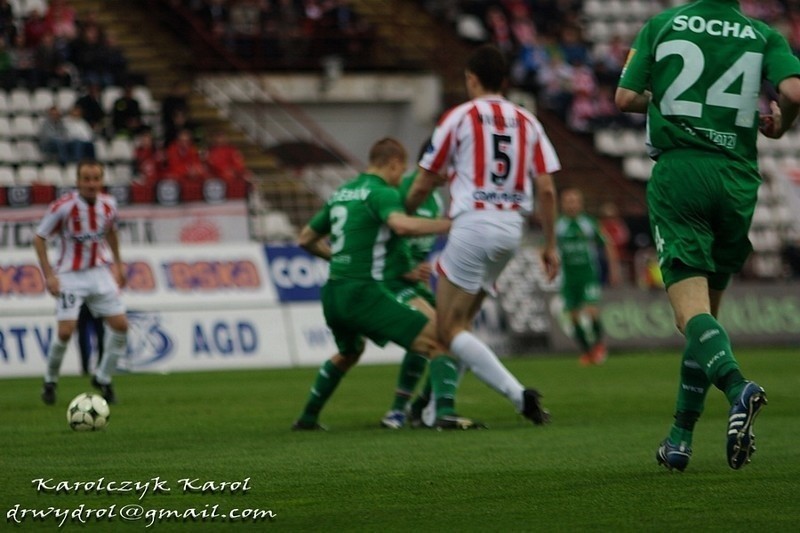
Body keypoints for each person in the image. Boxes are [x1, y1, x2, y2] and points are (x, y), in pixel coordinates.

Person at [615, 0, 800, 472]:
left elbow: (625, 99)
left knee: (690, 317)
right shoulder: (763, 34)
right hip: (737, 180)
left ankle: (739, 388)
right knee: (707, 322)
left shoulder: (663, 24)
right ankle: (680, 438)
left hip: (682, 174)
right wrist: (781, 126)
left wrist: (667, 95)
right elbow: (794, 91)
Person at [406, 44, 560, 426]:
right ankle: (429, 408)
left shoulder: (459, 117)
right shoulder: (528, 121)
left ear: (471, 79)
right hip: (511, 231)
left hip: (473, 225)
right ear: (504, 81)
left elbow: (426, 178)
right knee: (463, 326)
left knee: (447, 328)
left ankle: (518, 394)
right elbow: (547, 190)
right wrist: (550, 244)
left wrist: (403, 211)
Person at [292, 138, 483, 431]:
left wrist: (338, 258)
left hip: (333, 293)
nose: (401, 176)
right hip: (363, 293)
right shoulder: (382, 193)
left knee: (349, 353)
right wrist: (453, 225)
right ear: (394, 163)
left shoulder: (342, 192)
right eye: (400, 169)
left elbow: (305, 238)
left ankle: (307, 418)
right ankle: (444, 413)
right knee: (441, 339)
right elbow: (402, 226)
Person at [34, 160, 129, 405]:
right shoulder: (63, 207)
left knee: (120, 325)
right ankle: (50, 380)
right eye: (86, 179)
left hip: (99, 271)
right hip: (70, 275)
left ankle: (103, 377)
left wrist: (118, 264)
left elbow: (111, 232)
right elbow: (39, 237)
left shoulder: (109, 204)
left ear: (101, 180)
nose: (91, 184)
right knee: (65, 331)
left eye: (96, 178)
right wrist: (50, 276)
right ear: (77, 181)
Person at [379, 142, 445, 430]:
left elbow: (421, 251)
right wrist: (405, 268)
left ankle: (418, 405)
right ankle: (402, 409)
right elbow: (387, 236)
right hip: (388, 281)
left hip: (416, 284)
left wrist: (422, 274)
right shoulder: (399, 191)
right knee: (433, 334)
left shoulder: (436, 200)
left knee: (449, 338)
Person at [556, 188, 620, 366]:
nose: (572, 204)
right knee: (574, 317)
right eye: (568, 201)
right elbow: (546, 248)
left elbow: (607, 244)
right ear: (562, 204)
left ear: (580, 203)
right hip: (568, 278)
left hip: (588, 275)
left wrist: (613, 269)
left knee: (591, 310)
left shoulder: (589, 224)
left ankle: (599, 345)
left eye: (575, 201)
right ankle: (587, 352)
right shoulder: (558, 226)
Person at [77, 302, 104, 376]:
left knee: (101, 337)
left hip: (96, 304)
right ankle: (85, 367)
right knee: (83, 338)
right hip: (84, 304)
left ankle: (101, 367)